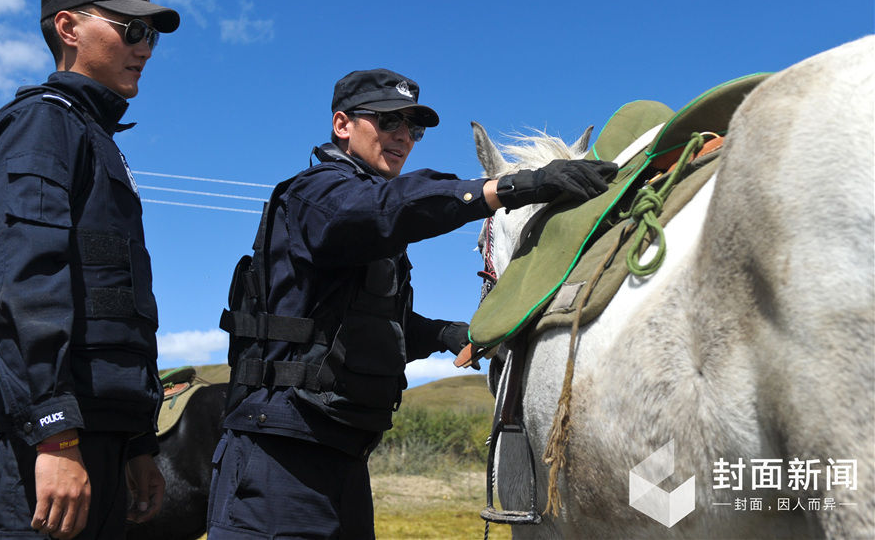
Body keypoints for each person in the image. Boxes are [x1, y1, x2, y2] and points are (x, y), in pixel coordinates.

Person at [208, 68, 618, 538]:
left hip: (343, 455)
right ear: (342, 125)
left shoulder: (370, 215)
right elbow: (388, 209)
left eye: (414, 129)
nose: (403, 137)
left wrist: (453, 334)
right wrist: (509, 188)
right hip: (278, 455)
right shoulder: (317, 195)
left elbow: (382, 325)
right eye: (388, 123)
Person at [0, 0, 180, 540]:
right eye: (131, 28)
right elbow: (17, 286)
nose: (144, 47)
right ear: (69, 28)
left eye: (149, 34)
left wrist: (136, 443)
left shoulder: (94, 137)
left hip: (97, 435)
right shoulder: (41, 125)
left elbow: (110, 302)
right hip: (37, 443)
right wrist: (52, 430)